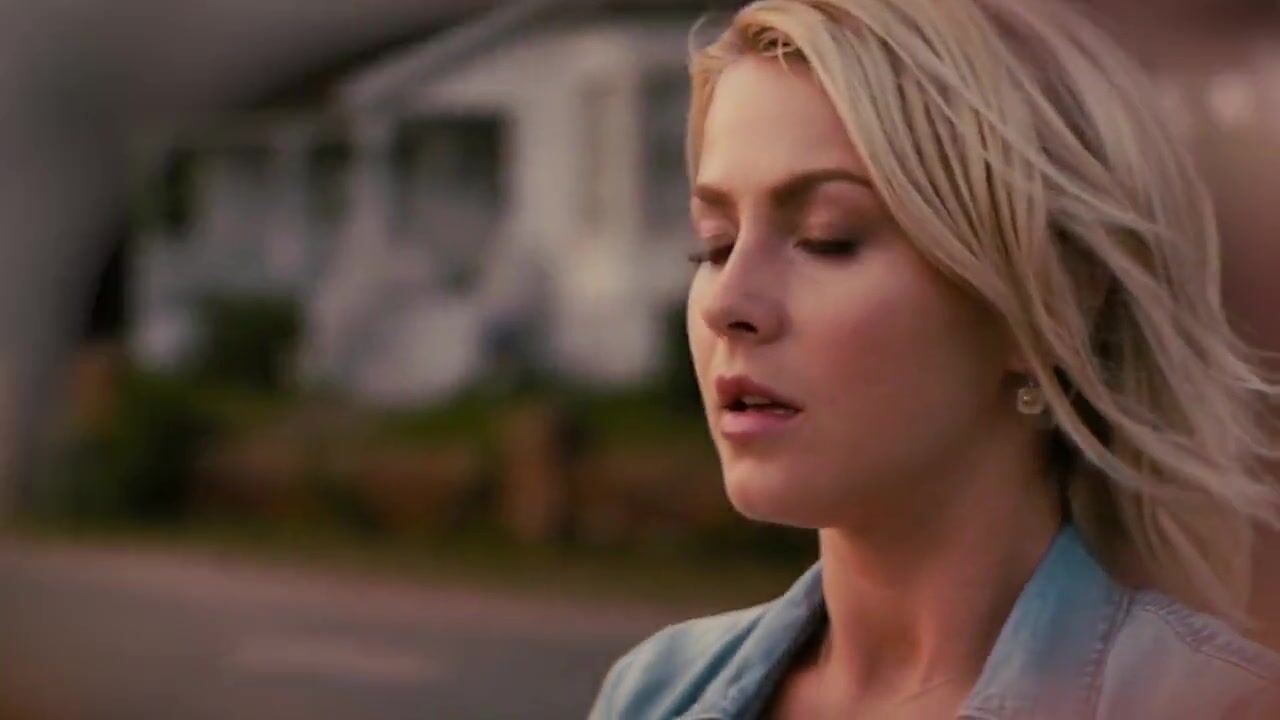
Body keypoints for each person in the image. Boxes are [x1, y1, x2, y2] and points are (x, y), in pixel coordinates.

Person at [588, 0, 1280, 717]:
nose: (727, 301)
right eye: (716, 244)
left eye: (828, 237)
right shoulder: (656, 693)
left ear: (1048, 307)